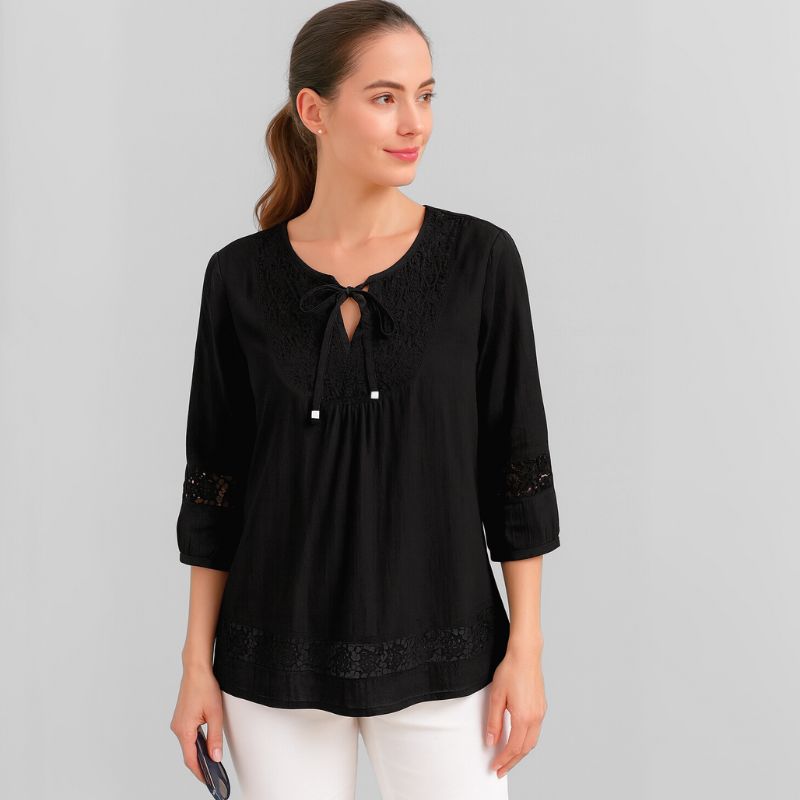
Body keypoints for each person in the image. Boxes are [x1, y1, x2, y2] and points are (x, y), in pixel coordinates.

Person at [169, 1, 561, 797]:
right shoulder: (239, 278)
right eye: (385, 97)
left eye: (425, 95)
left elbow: (516, 468)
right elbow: (215, 486)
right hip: (270, 658)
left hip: (449, 655)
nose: (414, 122)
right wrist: (194, 666)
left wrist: (526, 651)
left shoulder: (479, 261)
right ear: (313, 111)